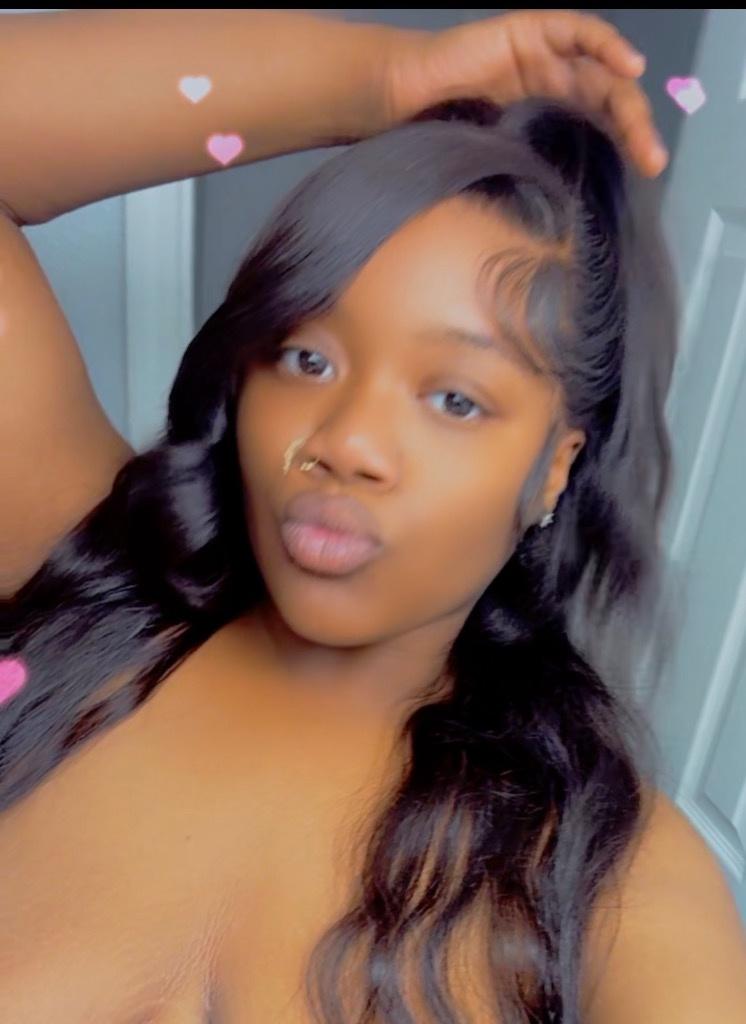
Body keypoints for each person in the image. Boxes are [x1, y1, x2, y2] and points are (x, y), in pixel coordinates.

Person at [1, 9, 745, 1024]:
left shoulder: (611, 876)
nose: (346, 441)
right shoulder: (87, 591)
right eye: (307, 358)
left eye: (454, 399)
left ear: (553, 469)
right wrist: (390, 81)